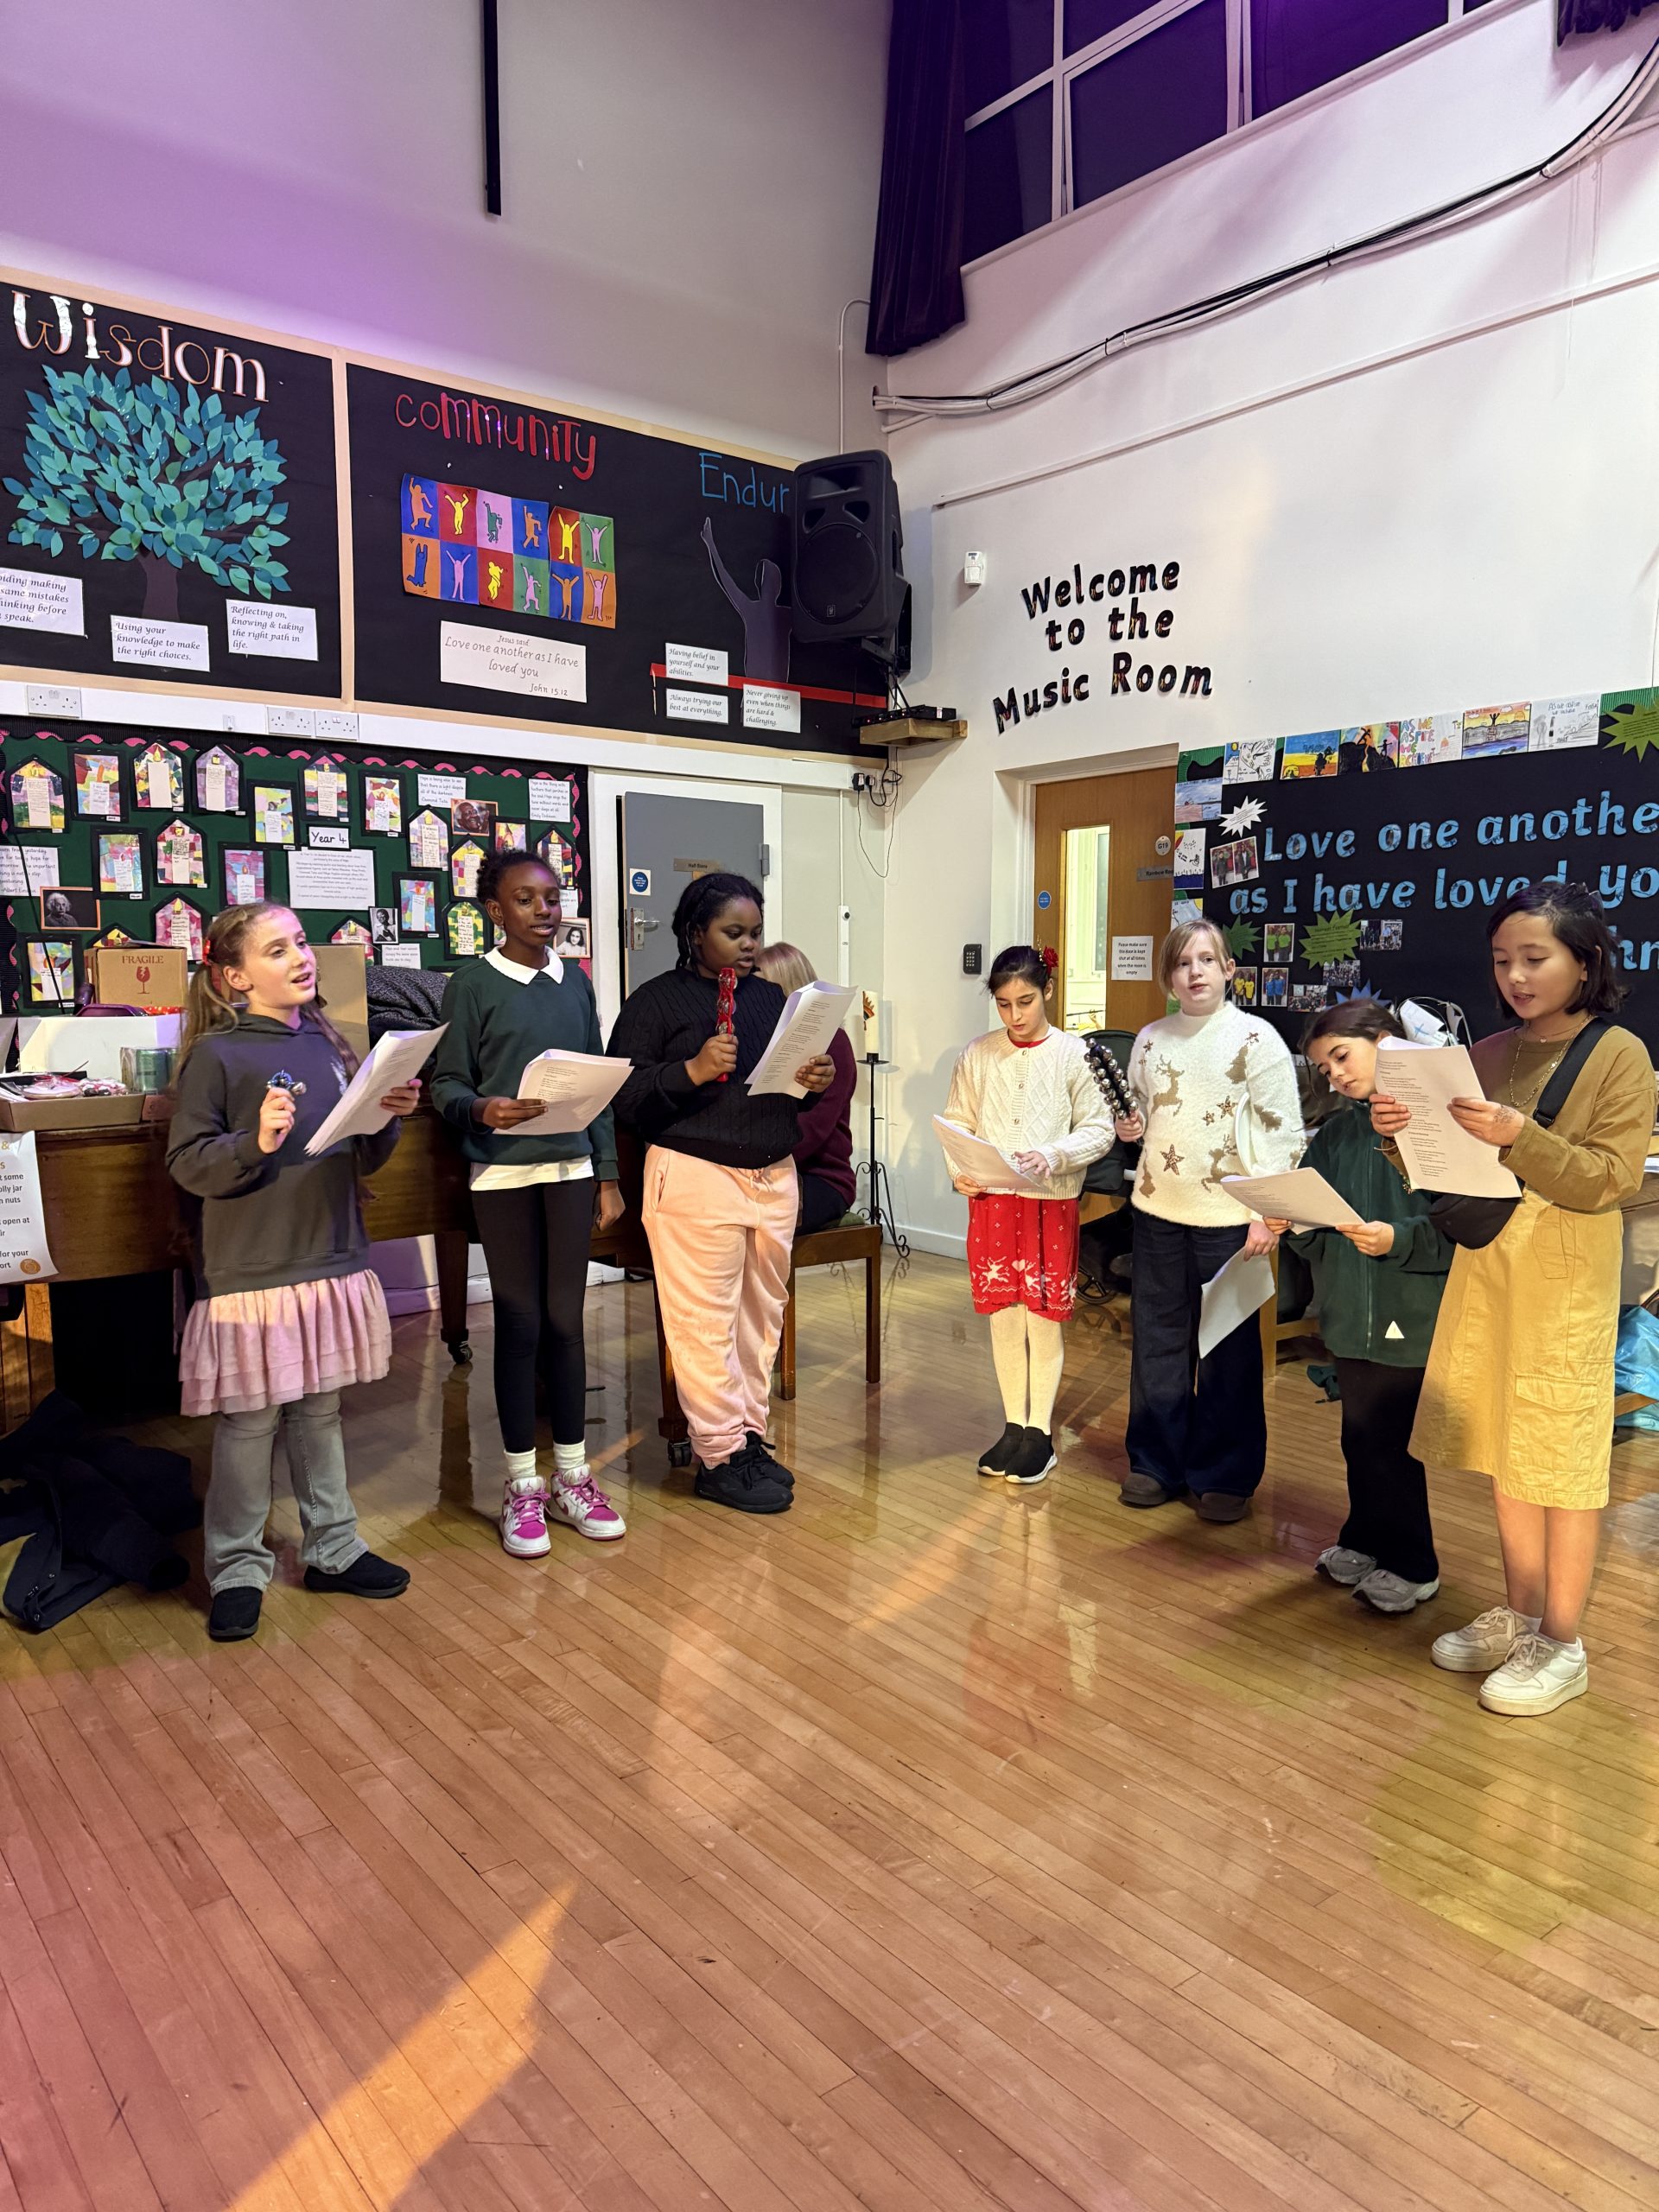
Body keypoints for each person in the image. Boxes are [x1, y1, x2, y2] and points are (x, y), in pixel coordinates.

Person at [1372, 881, 1655, 1715]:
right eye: (1503, 961)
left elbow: (1611, 1180)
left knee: (1562, 1457)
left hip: (1565, 1279)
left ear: (1586, 962)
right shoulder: (1489, 1051)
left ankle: (1562, 1641)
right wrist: (1399, 1136)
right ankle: (1521, 1614)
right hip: (1488, 1269)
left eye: (1536, 958)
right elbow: (1447, 1172)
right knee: (1503, 1445)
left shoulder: (1620, 1054)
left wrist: (1520, 1136)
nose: (1517, 977)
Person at [167, 902, 423, 1643]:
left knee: (319, 1412)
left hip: (330, 1254)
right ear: (235, 976)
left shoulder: (331, 1044)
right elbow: (188, 1162)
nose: (301, 957)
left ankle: (333, 1548)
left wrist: (388, 1115)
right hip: (252, 1267)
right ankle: (236, 1567)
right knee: (250, 1422)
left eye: (301, 943)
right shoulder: (216, 1056)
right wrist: (254, 1140)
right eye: (277, 950)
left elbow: (357, 1155)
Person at [607, 874, 836, 1513]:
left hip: (773, 1172)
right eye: (733, 933)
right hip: (695, 1173)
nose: (748, 945)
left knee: (761, 1318)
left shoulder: (770, 998)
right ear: (694, 933)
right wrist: (691, 1071)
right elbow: (623, 1095)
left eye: (755, 933)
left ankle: (747, 1439)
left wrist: (812, 1081)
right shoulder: (655, 1001)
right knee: (704, 1323)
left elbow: (787, 1089)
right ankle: (717, 1453)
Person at [429, 849, 626, 1558]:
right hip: (503, 1174)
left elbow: (596, 1084)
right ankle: (521, 1485)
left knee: (565, 1321)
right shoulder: (471, 985)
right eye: (525, 899)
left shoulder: (575, 982)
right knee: (518, 1321)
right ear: (495, 911)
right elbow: (446, 1084)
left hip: (571, 1168)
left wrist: (607, 1174)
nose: (544, 910)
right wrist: (482, 1108)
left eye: (551, 897)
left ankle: (573, 1476)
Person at [1258, 999, 1451, 1613]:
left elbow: (1462, 1228)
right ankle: (1364, 1540)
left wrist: (1399, 1239)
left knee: (1392, 1443)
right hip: (1348, 1317)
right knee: (1359, 1437)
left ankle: (1414, 1565)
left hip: (1409, 1315)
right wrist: (1292, 1223)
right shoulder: (1339, 1134)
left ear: (1387, 1042)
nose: (1335, 1075)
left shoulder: (1437, 1127)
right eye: (1324, 1067)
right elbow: (1319, 1228)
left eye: (1342, 1056)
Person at [1114, 917, 1300, 1520]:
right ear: (1169, 977)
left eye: (1205, 960)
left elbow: (1283, 1133)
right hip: (1157, 1212)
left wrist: (1267, 1213)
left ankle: (1225, 1474)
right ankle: (1154, 1463)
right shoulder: (1150, 1039)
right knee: (1158, 1343)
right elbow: (1142, 1112)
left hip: (1231, 1221)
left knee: (1228, 1349)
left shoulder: (1257, 1039)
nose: (1193, 972)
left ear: (1228, 971)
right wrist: (1129, 1127)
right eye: (1181, 963)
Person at [944, 945, 1120, 1485]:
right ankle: (1013, 1426)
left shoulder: (1075, 1055)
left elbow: (1099, 1129)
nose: (1015, 1015)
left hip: (1049, 1202)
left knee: (1043, 1317)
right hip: (992, 1202)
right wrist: (960, 1170)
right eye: (1003, 1004)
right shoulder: (978, 1054)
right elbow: (957, 1120)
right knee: (1003, 1315)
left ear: (1048, 991)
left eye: (1025, 1001)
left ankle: (1040, 1433)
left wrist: (1053, 1155)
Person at [753, 940, 856, 1231]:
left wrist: (750, 1157)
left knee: (753, 1216)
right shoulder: (757, 1037)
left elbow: (813, 1128)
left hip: (820, 1177)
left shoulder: (833, 1042)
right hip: (761, 1166)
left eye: (759, 987)